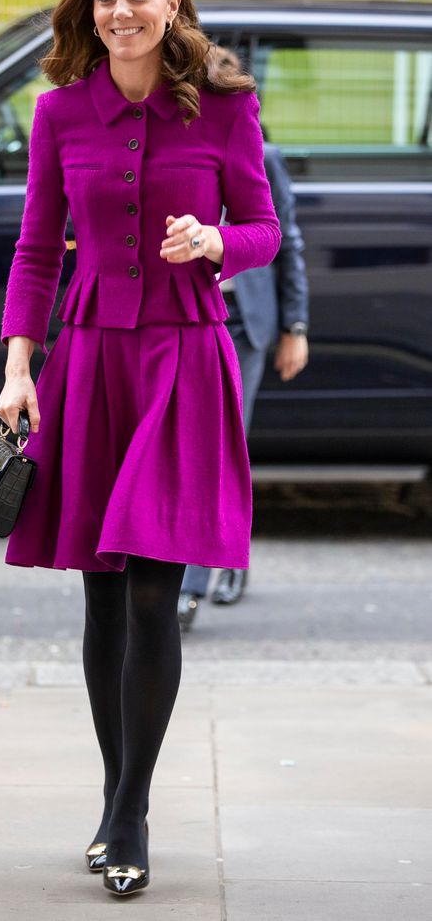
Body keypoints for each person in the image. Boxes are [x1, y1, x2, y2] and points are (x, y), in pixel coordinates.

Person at [0, 0, 280, 898]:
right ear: (89, 10)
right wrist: (18, 367)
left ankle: (128, 811)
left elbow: (264, 228)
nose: (121, 10)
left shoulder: (225, 107)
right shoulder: (58, 113)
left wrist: (215, 240)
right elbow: (36, 249)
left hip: (181, 357)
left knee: (157, 582)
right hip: (86, 358)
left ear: (171, 2)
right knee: (102, 588)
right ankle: (117, 795)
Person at [178, 53, 309, 629]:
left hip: (246, 323)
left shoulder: (262, 153)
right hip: (190, 319)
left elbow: (288, 243)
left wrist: (294, 328)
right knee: (184, 450)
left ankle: (208, 569)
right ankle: (193, 573)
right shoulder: (171, 149)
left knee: (224, 450)